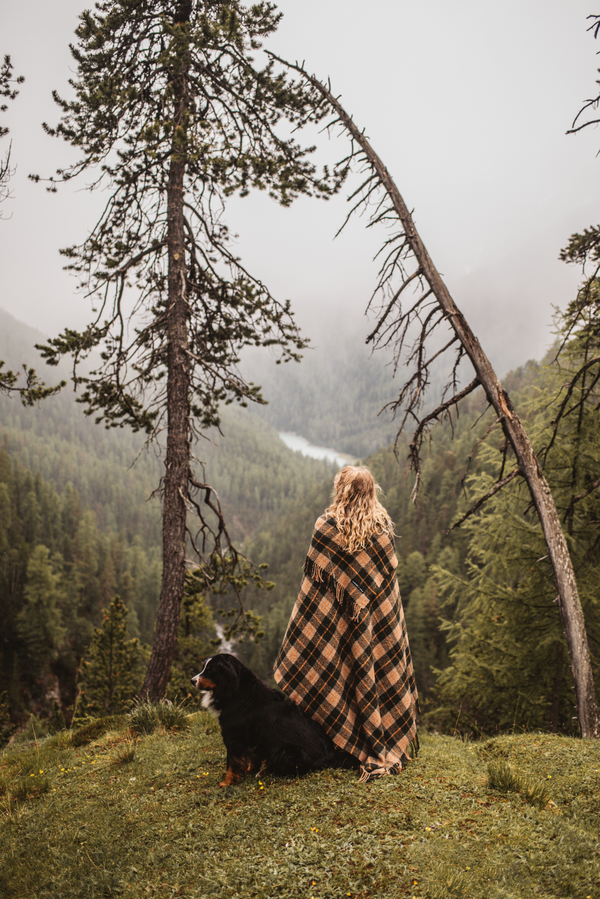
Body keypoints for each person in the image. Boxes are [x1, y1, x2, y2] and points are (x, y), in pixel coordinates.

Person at [274, 465, 419, 782]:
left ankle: (339, 742)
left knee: (337, 673)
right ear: (371, 492)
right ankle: (373, 739)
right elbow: (386, 594)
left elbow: (312, 592)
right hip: (369, 628)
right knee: (369, 674)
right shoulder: (382, 534)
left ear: (341, 490)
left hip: (334, 628)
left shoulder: (325, 527)